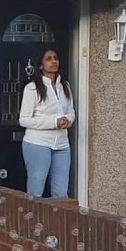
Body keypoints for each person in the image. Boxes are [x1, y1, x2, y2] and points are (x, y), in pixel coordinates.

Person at [17, 47, 76, 198]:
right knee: (36, 189)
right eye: (48, 59)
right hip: (38, 144)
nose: (53, 61)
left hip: (62, 145)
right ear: (41, 66)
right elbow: (24, 120)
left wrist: (68, 120)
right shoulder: (32, 88)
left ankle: (58, 221)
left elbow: (70, 111)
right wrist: (54, 122)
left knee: (61, 192)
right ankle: (32, 220)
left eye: (55, 58)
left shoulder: (65, 86)